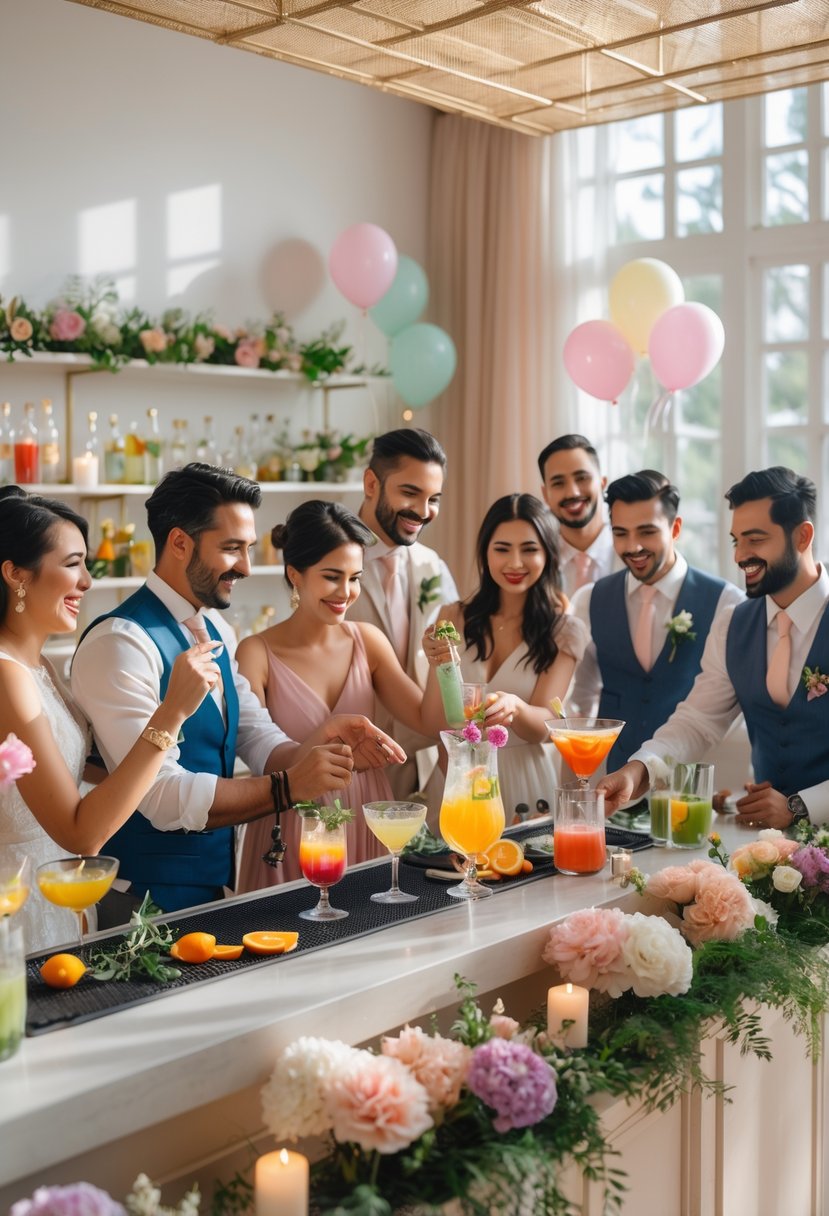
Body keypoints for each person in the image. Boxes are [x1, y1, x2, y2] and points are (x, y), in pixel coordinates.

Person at [71, 464, 404, 915]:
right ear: (179, 542)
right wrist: (287, 788)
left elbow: (255, 732)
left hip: (213, 888)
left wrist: (323, 742)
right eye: (231, 549)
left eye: (248, 548)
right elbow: (160, 795)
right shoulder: (119, 642)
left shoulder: (216, 629)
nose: (246, 567)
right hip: (140, 897)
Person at [0, 487, 220, 953]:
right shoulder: (7, 676)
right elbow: (81, 832)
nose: (87, 581)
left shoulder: (40, 668)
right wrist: (172, 711)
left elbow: (68, 771)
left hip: (56, 897)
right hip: (17, 906)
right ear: (16, 574)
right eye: (72, 563)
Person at [598, 467, 829, 830]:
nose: (740, 556)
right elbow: (696, 723)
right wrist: (636, 771)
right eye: (737, 540)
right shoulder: (732, 623)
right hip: (764, 849)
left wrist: (802, 806)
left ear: (802, 536)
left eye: (755, 540)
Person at [236, 500, 444, 890]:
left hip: (364, 817)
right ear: (295, 574)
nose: (346, 592)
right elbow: (259, 757)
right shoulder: (255, 652)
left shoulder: (368, 640)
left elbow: (430, 722)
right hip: (292, 821)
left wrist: (440, 666)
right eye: (332, 577)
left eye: (355, 577)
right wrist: (326, 734)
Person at [423, 493, 588, 815]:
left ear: (548, 555)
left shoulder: (563, 631)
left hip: (523, 780)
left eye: (529, 550)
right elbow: (433, 723)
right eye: (502, 549)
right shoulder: (452, 617)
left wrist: (517, 708)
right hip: (454, 780)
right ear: (485, 552)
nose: (514, 563)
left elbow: (548, 728)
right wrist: (439, 664)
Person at [570, 470, 743, 770]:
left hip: (690, 784)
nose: (633, 546)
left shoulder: (728, 603)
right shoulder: (588, 600)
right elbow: (579, 698)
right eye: (620, 533)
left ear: (675, 528)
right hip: (611, 781)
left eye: (646, 532)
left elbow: (728, 708)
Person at [348, 427, 458, 801]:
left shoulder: (433, 566)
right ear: (371, 483)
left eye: (434, 498)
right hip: (351, 765)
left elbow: (455, 656)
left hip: (423, 767)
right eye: (410, 493)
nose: (424, 512)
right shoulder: (328, 562)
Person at [538, 434, 618, 597]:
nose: (572, 492)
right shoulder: (535, 561)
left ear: (602, 484)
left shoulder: (631, 555)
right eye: (558, 483)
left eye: (582, 478)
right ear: (545, 494)